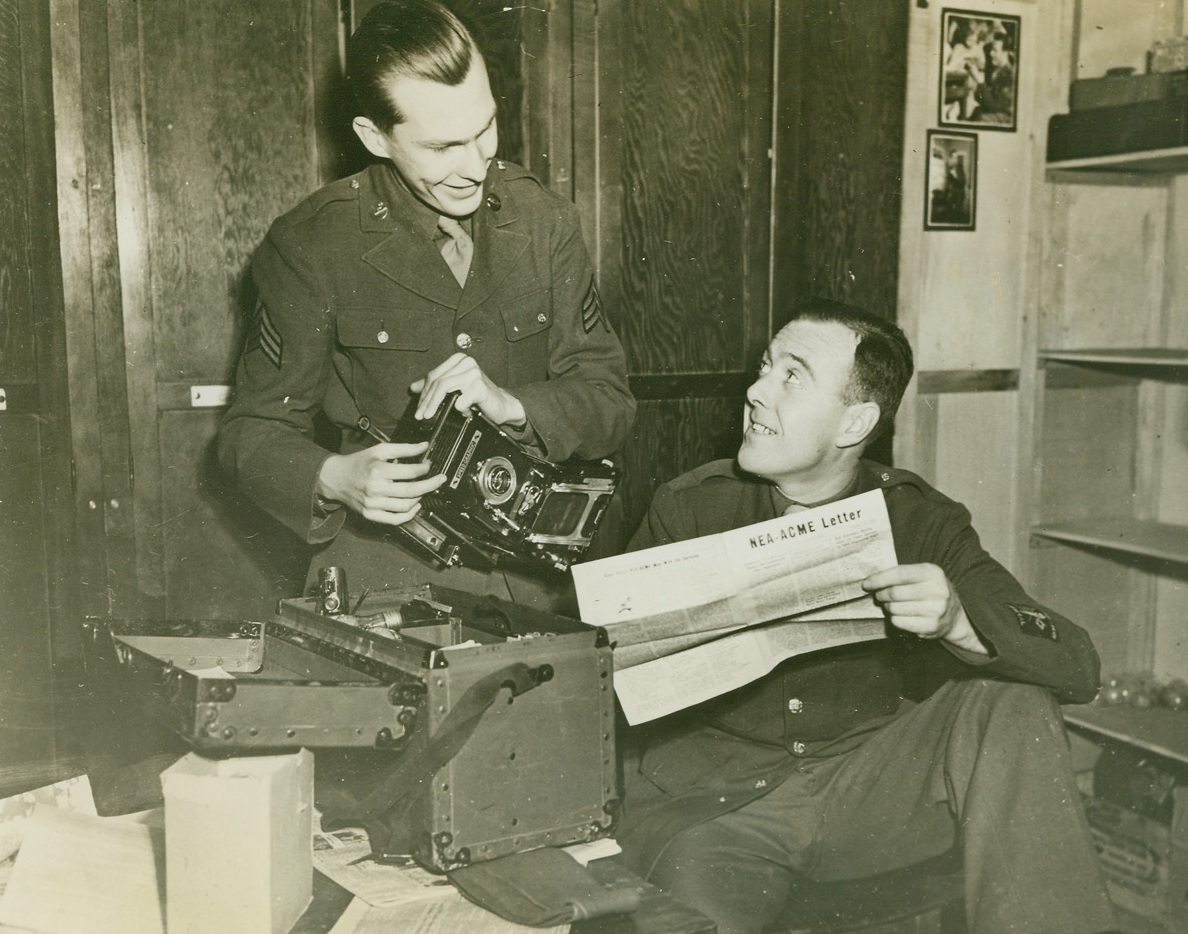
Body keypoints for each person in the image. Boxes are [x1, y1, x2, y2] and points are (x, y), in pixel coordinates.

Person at [617, 300, 1117, 934]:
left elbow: (1077, 663)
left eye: (791, 377)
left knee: (1010, 702)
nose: (755, 390)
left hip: (868, 792)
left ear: (854, 421)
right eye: (766, 366)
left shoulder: (920, 518)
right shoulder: (688, 508)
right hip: (718, 806)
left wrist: (960, 622)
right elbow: (609, 670)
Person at [218, 0, 635, 610]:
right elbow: (251, 433)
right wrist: (336, 479)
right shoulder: (312, 244)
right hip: (383, 584)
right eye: (442, 147)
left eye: (486, 128)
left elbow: (610, 401)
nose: (477, 165)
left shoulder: (545, 223)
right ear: (374, 136)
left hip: (539, 584)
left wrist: (512, 404)